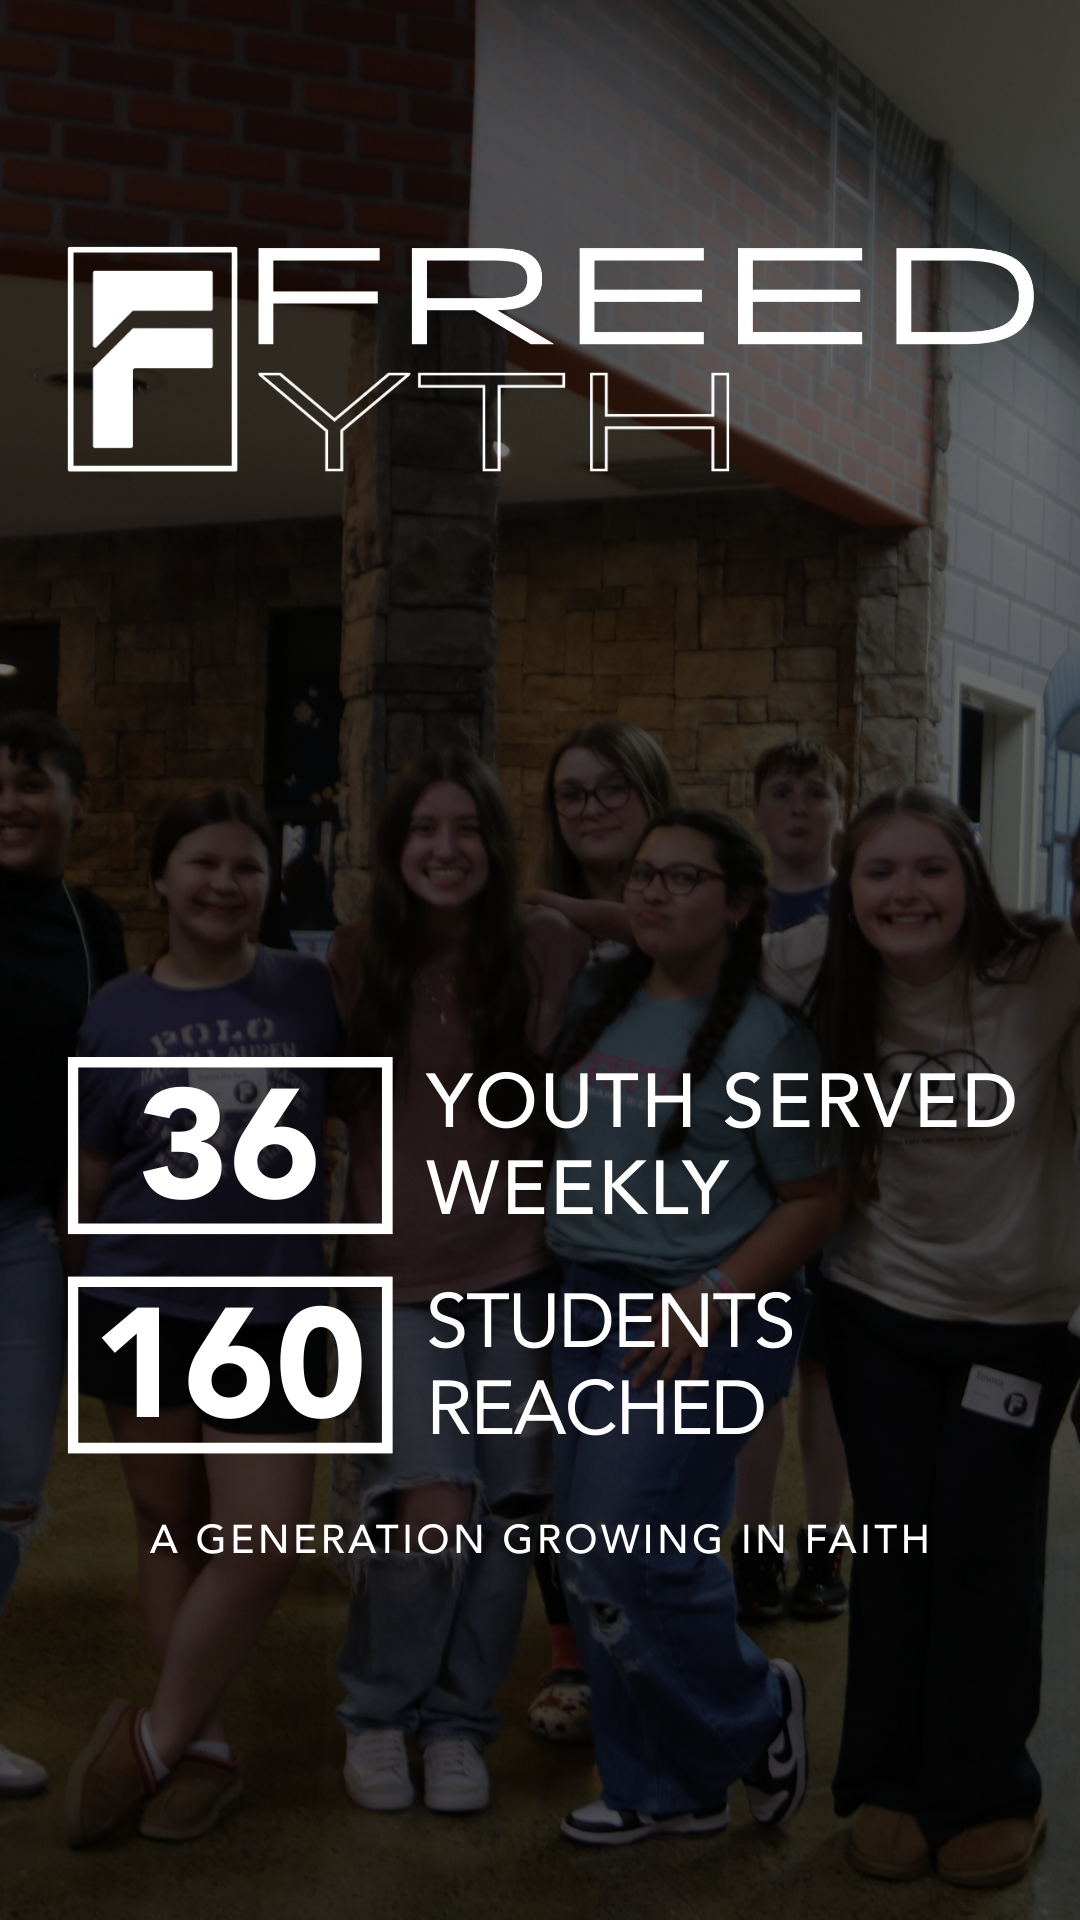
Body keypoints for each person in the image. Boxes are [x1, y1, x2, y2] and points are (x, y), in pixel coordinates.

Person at [772, 787, 1080, 1889]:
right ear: (848, 890)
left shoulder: (1045, 965)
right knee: (899, 1551)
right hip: (880, 1310)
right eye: (880, 872)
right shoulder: (815, 963)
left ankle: (989, 1789)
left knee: (984, 1555)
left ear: (971, 878)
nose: (906, 893)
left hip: (1019, 1324)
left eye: (931, 869)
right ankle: (894, 1779)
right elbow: (686, 924)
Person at [545, 808, 842, 1846]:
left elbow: (816, 1200)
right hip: (587, 1296)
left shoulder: (771, 1038)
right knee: (592, 1555)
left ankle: (752, 1712)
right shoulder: (597, 1001)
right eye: (642, 875)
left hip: (703, 1309)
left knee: (629, 1548)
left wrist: (710, 1291)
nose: (653, 892)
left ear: (740, 903)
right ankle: (659, 1785)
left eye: (682, 878)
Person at [66, 788, 340, 1848]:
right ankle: (206, 1750)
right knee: (169, 1523)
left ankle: (147, 1741)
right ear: (161, 879)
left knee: (264, 1539)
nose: (225, 884)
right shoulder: (116, 1011)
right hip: (140, 1304)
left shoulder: (309, 991)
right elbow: (90, 1179)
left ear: (269, 885)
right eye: (203, 863)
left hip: (272, 1310)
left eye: (246, 867)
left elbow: (365, 1121)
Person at [328, 745, 594, 1817]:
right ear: (395, 849)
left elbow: (660, 927)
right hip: (397, 1284)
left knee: (510, 1511)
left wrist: (557, 904)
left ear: (498, 846)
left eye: (468, 829)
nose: (446, 849)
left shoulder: (544, 946)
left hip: (522, 1272)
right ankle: (378, 1711)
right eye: (424, 830)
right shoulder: (358, 957)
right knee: (430, 1505)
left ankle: (457, 1722)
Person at [526, 719, 679, 1739]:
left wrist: (555, 908)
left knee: (658, 1466)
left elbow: (668, 930)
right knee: (558, 1460)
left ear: (653, 792)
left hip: (677, 1242)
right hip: (556, 1231)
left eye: (611, 787)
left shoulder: (698, 906)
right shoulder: (544, 939)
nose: (589, 808)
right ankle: (573, 1653)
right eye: (571, 793)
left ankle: (665, 1646)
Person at [0, 712, 127, 1798]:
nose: (10, 801)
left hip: (25, 1240)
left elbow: (107, 1094)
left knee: (11, 1488)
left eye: (32, 782)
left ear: (78, 805)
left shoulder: (93, 927)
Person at [733, 740, 850, 1621]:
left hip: (843, 1166)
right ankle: (751, 1550)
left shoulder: (865, 905)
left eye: (816, 792)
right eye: (783, 792)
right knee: (756, 1376)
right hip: (755, 1172)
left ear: (841, 809)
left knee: (827, 1374)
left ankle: (825, 1547)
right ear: (759, 812)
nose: (800, 806)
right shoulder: (737, 912)